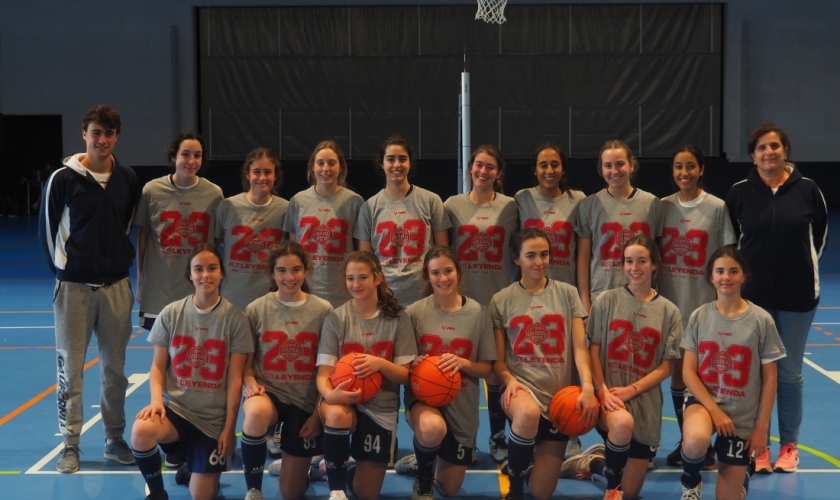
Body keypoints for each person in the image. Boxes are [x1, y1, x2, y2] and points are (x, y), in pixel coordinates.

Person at [38, 105, 141, 473]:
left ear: (116, 137)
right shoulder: (62, 179)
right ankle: (71, 444)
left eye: (109, 134)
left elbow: (126, 224)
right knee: (71, 369)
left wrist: (114, 264)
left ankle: (114, 439)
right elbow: (48, 232)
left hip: (116, 287)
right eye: (96, 133)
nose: (102, 140)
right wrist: (68, 272)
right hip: (74, 289)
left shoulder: (127, 178)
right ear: (84, 134)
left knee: (115, 371)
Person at [725, 124, 827, 473]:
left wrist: (801, 271)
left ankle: (789, 446)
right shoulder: (739, 193)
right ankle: (760, 446)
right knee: (755, 375)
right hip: (751, 301)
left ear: (786, 151)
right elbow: (733, 243)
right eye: (761, 148)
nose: (769, 152)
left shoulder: (808, 189)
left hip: (798, 298)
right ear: (752, 155)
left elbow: (818, 239)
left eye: (775, 146)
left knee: (789, 373)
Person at [130, 243, 253, 500]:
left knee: (201, 496)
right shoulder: (171, 313)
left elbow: (235, 379)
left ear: (222, 273)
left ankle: (197, 467)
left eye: (212, 268)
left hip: (211, 422)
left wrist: (229, 429)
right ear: (190, 274)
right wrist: (156, 402)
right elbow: (157, 367)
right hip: (176, 411)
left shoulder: (235, 318)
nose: (205, 275)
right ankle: (157, 493)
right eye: (198, 269)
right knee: (141, 431)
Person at [490, 229, 599, 500]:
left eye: (544, 254)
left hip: (559, 400)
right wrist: (509, 380)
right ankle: (515, 490)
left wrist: (587, 385)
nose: (539, 262)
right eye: (531, 256)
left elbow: (579, 347)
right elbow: (498, 362)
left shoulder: (567, 293)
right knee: (527, 414)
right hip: (521, 391)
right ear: (516, 258)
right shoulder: (501, 300)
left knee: (541, 492)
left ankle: (528, 464)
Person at [679, 246, 785, 500]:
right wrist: (714, 411)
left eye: (733, 271)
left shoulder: (761, 320)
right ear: (711, 277)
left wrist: (761, 428)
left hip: (741, 414)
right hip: (704, 403)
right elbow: (688, 372)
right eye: (720, 271)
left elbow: (770, 378)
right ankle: (691, 482)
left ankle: (743, 475)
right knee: (695, 441)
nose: (726, 277)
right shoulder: (699, 316)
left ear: (744, 276)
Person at [395, 246, 496, 499]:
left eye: (448, 271)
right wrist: (414, 362)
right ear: (427, 277)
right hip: (424, 400)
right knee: (432, 428)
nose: (443, 278)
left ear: (458, 272)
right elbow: (401, 363)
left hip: (462, 405)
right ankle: (423, 479)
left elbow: (486, 369)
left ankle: (422, 458)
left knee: (449, 490)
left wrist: (463, 363)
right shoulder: (414, 313)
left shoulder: (479, 313)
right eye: (435, 273)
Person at [316, 251, 418, 500]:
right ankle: (337, 491)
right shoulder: (336, 318)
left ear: (378, 278)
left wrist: (380, 363)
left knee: (366, 493)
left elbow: (405, 376)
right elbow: (323, 374)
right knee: (337, 414)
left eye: (363, 277)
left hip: (380, 405)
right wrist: (331, 395)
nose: (356, 284)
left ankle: (328, 467)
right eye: (350, 278)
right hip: (343, 400)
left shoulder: (398, 319)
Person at [587, 234, 682, 500]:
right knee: (622, 424)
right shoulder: (606, 301)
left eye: (642, 260)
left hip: (645, 402)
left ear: (654, 265)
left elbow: (666, 367)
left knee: (631, 492)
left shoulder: (670, 312)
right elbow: (593, 349)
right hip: (609, 399)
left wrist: (633, 389)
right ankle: (611, 490)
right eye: (629, 261)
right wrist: (601, 390)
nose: (634, 267)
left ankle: (594, 463)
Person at [659, 145, 736, 467]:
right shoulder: (662, 207)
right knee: (678, 376)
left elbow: (728, 256)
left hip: (704, 308)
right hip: (671, 307)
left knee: (707, 378)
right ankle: (687, 441)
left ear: (701, 169)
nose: (684, 173)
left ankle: (710, 445)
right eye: (679, 166)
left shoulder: (716, 208)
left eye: (690, 166)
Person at [240, 241, 333, 500]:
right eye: (281, 270)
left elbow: (328, 370)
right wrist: (250, 382)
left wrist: (317, 415)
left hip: (305, 403)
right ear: (272, 273)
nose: (289, 277)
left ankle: (307, 469)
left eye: (296, 270)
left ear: (306, 270)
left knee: (291, 493)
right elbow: (246, 363)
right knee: (255, 412)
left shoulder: (323, 310)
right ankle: (254, 490)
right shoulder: (256, 309)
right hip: (270, 397)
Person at [444, 145, 518, 463]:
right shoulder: (452, 205)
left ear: (498, 173)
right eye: (478, 165)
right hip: (462, 303)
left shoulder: (511, 207)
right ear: (470, 168)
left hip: (497, 300)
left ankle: (498, 435)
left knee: (495, 373)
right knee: (462, 372)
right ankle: (464, 439)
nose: (483, 171)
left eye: (490, 167)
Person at [136, 130, 223, 329]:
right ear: (173, 156)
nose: (191, 161)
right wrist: (141, 281)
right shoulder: (152, 190)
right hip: (159, 290)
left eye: (197, 155)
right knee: (162, 347)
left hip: (196, 289)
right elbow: (143, 238)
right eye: (185, 154)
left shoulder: (214, 194)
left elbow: (216, 241)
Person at [356, 134, 450, 306]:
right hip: (384, 298)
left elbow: (443, 254)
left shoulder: (431, 201)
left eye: (402, 159)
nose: (397, 165)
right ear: (382, 163)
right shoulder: (368, 207)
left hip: (424, 297)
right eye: (391, 159)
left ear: (410, 163)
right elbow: (365, 262)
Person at [577, 140, 663, 315]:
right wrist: (585, 302)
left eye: (620, 164)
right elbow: (583, 257)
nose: (614, 171)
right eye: (608, 165)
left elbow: (658, 254)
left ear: (631, 166)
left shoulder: (652, 204)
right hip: (602, 294)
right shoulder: (589, 205)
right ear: (601, 169)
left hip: (643, 295)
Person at [284, 140, 363, 308]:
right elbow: (291, 252)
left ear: (340, 167)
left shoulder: (354, 202)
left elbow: (360, 253)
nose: (326, 169)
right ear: (312, 167)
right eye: (320, 163)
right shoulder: (298, 201)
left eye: (332, 163)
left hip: (342, 294)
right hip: (305, 292)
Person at [215, 147, 288, 311]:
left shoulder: (285, 209)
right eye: (256, 172)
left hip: (270, 300)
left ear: (275, 175)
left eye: (268, 172)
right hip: (232, 298)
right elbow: (212, 250)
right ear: (247, 174)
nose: (262, 177)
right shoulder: (227, 207)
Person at [515, 143, 586, 286]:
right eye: (543, 165)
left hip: (566, 286)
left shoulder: (578, 200)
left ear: (563, 169)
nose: (549, 170)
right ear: (535, 170)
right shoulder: (522, 198)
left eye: (555, 165)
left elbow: (583, 254)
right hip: (529, 288)